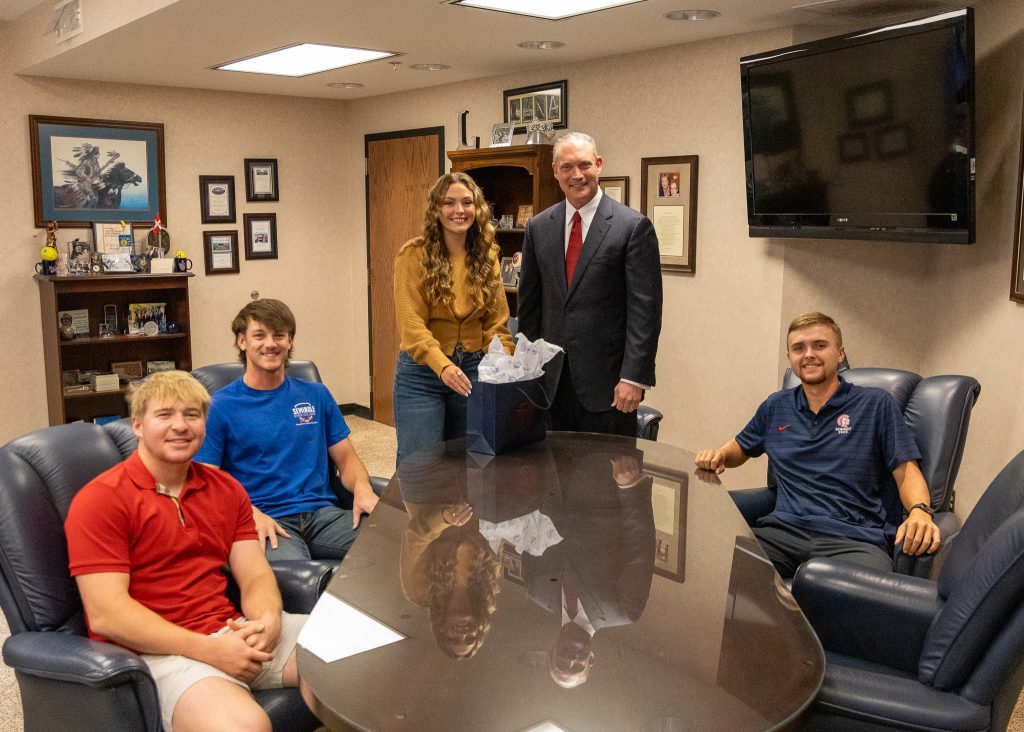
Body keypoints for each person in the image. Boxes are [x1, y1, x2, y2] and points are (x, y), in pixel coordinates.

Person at [65, 371, 317, 731]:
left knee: (359, 655)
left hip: (231, 630)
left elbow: (255, 573)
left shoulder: (226, 489)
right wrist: (210, 650)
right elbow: (108, 615)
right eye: (165, 415)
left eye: (192, 415)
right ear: (137, 425)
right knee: (246, 726)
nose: (180, 426)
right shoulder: (100, 500)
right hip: (158, 653)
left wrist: (268, 620)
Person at [694, 311, 941, 577]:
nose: (809, 354)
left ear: (840, 353)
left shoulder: (875, 404)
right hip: (782, 532)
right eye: (798, 348)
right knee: (717, 568)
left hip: (854, 540)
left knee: (866, 599)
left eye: (820, 345)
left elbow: (905, 472)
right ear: (790, 358)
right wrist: (720, 454)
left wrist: (920, 511)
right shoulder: (776, 406)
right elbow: (741, 447)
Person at [195, 298, 378, 560]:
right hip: (266, 520)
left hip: (322, 515)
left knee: (398, 543)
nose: (270, 344)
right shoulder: (219, 406)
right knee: (297, 580)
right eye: (259, 335)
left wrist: (363, 488)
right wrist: (248, 514)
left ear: (290, 341)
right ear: (241, 341)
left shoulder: (316, 394)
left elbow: (347, 459)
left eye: (279, 335)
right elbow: (206, 481)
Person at [518, 131, 663, 436]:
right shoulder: (538, 227)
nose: (577, 175)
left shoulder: (632, 227)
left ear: (598, 165)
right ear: (555, 172)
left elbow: (645, 312)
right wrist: (527, 371)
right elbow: (529, 307)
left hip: (609, 387)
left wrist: (633, 378)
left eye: (584, 165)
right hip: (550, 383)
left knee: (607, 478)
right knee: (552, 476)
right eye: (567, 167)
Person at [393, 172, 514, 465]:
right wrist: (443, 366)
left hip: (473, 370)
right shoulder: (413, 255)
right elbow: (411, 325)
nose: (459, 211)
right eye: (449, 203)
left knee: (467, 463)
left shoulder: (487, 256)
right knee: (419, 465)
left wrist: (504, 365)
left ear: (478, 209)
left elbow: (497, 322)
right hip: (422, 373)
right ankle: (418, 514)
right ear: (436, 209)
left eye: (466, 203)